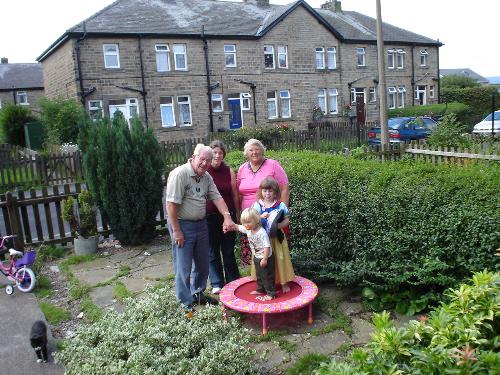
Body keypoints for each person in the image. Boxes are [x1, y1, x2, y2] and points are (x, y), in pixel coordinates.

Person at [166, 144, 235, 313]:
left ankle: (197, 293)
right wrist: (176, 230)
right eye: (202, 159)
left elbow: (217, 198)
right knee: (184, 266)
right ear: (193, 156)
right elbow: (171, 205)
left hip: (201, 224)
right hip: (182, 225)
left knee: (203, 263)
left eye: (208, 160)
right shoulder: (180, 174)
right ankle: (185, 302)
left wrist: (227, 217)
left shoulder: (206, 177)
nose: (204, 163)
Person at [237, 138, 289, 264]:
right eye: (251, 150)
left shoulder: (273, 165)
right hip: (249, 219)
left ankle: (278, 278)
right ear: (246, 153)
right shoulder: (242, 168)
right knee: (254, 251)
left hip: (269, 217)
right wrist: (240, 213)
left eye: (257, 149)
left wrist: (281, 213)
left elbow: (285, 188)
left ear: (262, 150)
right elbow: (238, 192)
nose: (254, 152)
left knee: (271, 250)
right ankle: (257, 277)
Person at [206, 140, 241, 295]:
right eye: (215, 152)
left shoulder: (229, 171)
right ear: (209, 154)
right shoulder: (204, 170)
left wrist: (237, 213)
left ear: (223, 155)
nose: (217, 155)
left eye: (220, 153)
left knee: (228, 250)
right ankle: (216, 282)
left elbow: (234, 193)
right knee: (212, 250)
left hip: (228, 216)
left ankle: (233, 280)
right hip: (209, 217)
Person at [252, 177, 295, 293]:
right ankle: (264, 285)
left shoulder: (280, 205)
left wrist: (279, 226)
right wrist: (260, 217)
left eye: (270, 191)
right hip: (262, 240)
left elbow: (287, 220)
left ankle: (283, 283)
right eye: (265, 191)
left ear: (276, 192)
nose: (267, 193)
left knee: (280, 259)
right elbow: (253, 219)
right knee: (263, 261)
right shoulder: (257, 206)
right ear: (261, 191)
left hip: (277, 239)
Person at [227, 207, 275, 301]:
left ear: (256, 220)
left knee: (267, 276)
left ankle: (271, 293)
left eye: (248, 222)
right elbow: (238, 227)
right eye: (244, 222)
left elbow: (267, 247)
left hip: (266, 257)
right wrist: (231, 226)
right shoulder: (248, 229)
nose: (246, 225)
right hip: (257, 256)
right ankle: (260, 289)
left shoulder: (262, 233)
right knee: (259, 274)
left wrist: (265, 259)